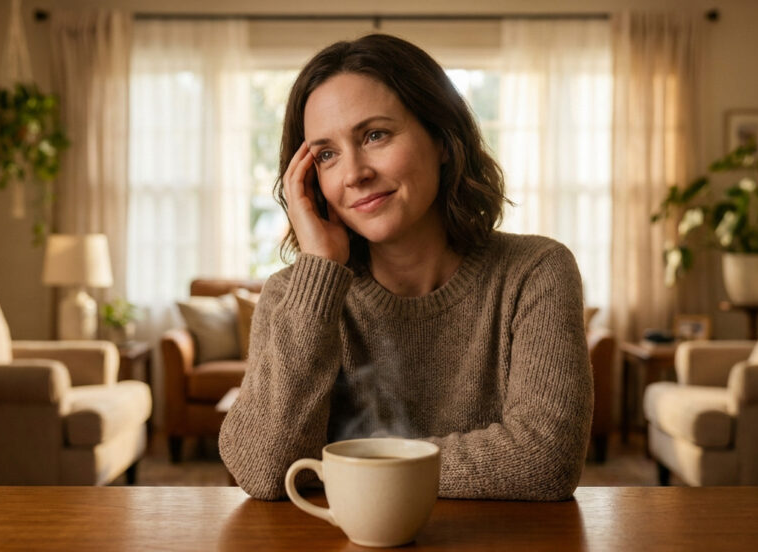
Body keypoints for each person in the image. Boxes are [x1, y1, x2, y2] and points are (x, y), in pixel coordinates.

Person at [219, 34, 592, 501]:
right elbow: (265, 472)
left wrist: (346, 467)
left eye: (375, 135)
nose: (354, 173)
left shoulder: (535, 271)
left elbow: (545, 459)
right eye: (327, 155)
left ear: (441, 138)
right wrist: (319, 272)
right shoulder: (292, 295)